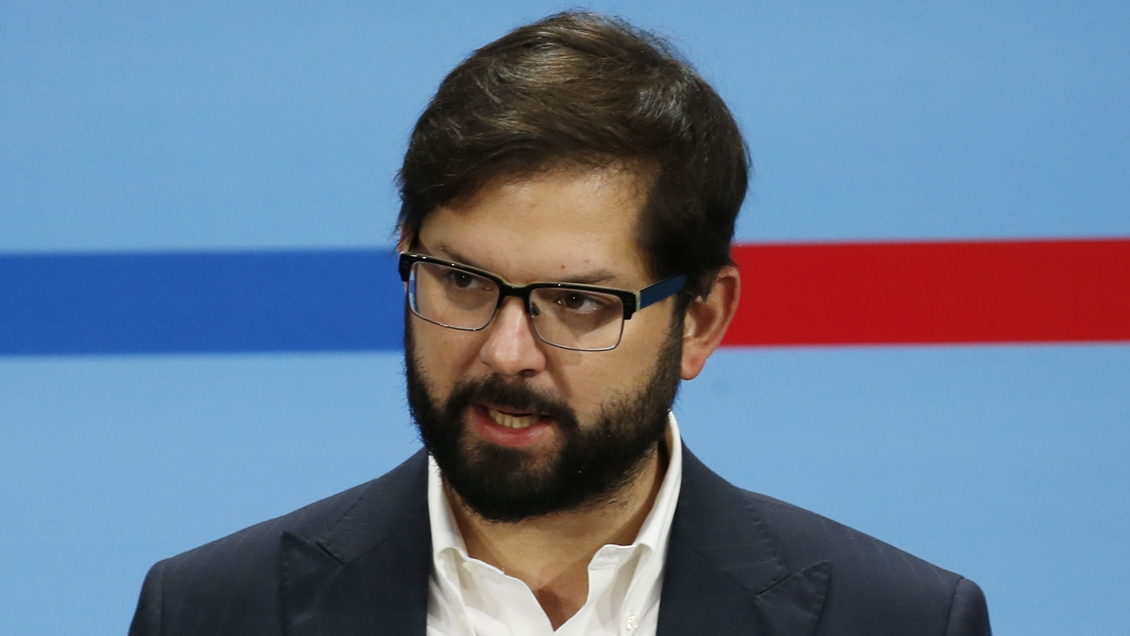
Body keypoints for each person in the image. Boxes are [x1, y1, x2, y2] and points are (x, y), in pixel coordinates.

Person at [129, 11, 991, 636]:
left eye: (578, 302)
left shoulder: (897, 620)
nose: (506, 353)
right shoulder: (212, 611)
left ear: (701, 320)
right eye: (461, 280)